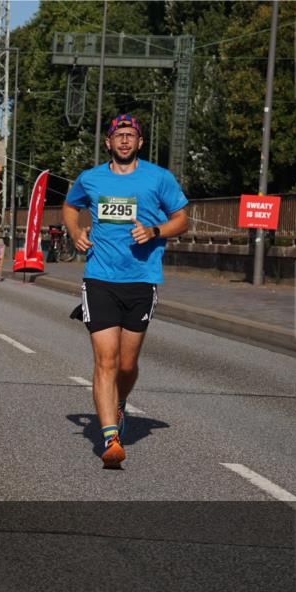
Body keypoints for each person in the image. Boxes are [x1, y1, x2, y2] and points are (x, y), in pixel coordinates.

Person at [62, 114, 189, 469]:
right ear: (108, 142)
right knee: (106, 360)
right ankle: (110, 439)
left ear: (140, 142)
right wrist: (75, 233)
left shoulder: (158, 178)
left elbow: (182, 217)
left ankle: (119, 403)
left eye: (130, 135)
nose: (124, 140)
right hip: (100, 278)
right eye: (118, 135)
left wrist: (155, 231)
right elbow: (70, 207)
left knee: (127, 364)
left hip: (142, 279)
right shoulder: (91, 179)